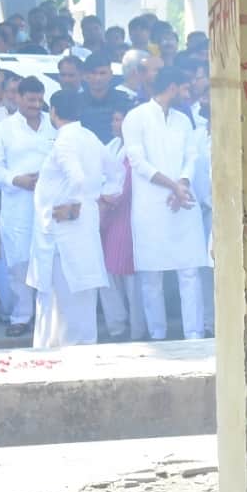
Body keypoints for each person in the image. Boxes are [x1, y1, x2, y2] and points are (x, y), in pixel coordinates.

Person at [124, 66, 206, 340]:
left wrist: (182, 184)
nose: (188, 93)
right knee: (151, 277)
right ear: (172, 87)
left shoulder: (183, 120)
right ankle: (157, 335)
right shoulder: (135, 118)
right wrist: (174, 187)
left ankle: (193, 334)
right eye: (184, 87)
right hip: (151, 206)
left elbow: (191, 156)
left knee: (189, 272)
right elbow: (138, 163)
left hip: (182, 202)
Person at [27, 90, 111, 348]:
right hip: (81, 230)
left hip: (63, 234)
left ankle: (58, 352)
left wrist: (73, 205)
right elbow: (114, 171)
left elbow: (76, 178)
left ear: (53, 111)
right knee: (77, 297)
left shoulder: (65, 140)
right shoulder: (90, 137)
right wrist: (98, 200)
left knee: (60, 298)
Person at [0, 76, 57, 338]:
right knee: (18, 263)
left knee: (47, 260)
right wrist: (16, 180)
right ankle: (21, 315)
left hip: (48, 205)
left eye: (39, 100)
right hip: (17, 205)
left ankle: (46, 315)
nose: (35, 104)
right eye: (30, 100)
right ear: (18, 98)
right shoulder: (5, 128)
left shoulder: (52, 125)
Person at [97, 108, 144, 341]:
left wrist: (104, 199)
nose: (116, 123)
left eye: (120, 118)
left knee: (131, 278)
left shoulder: (135, 150)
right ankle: (117, 326)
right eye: (114, 118)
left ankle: (137, 330)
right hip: (110, 218)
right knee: (110, 275)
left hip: (126, 216)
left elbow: (123, 187)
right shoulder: (112, 147)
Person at [78, 50, 133, 144]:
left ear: (111, 74)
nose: (98, 78)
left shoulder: (124, 100)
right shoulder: (76, 102)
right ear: (85, 76)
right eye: (93, 73)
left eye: (102, 73)